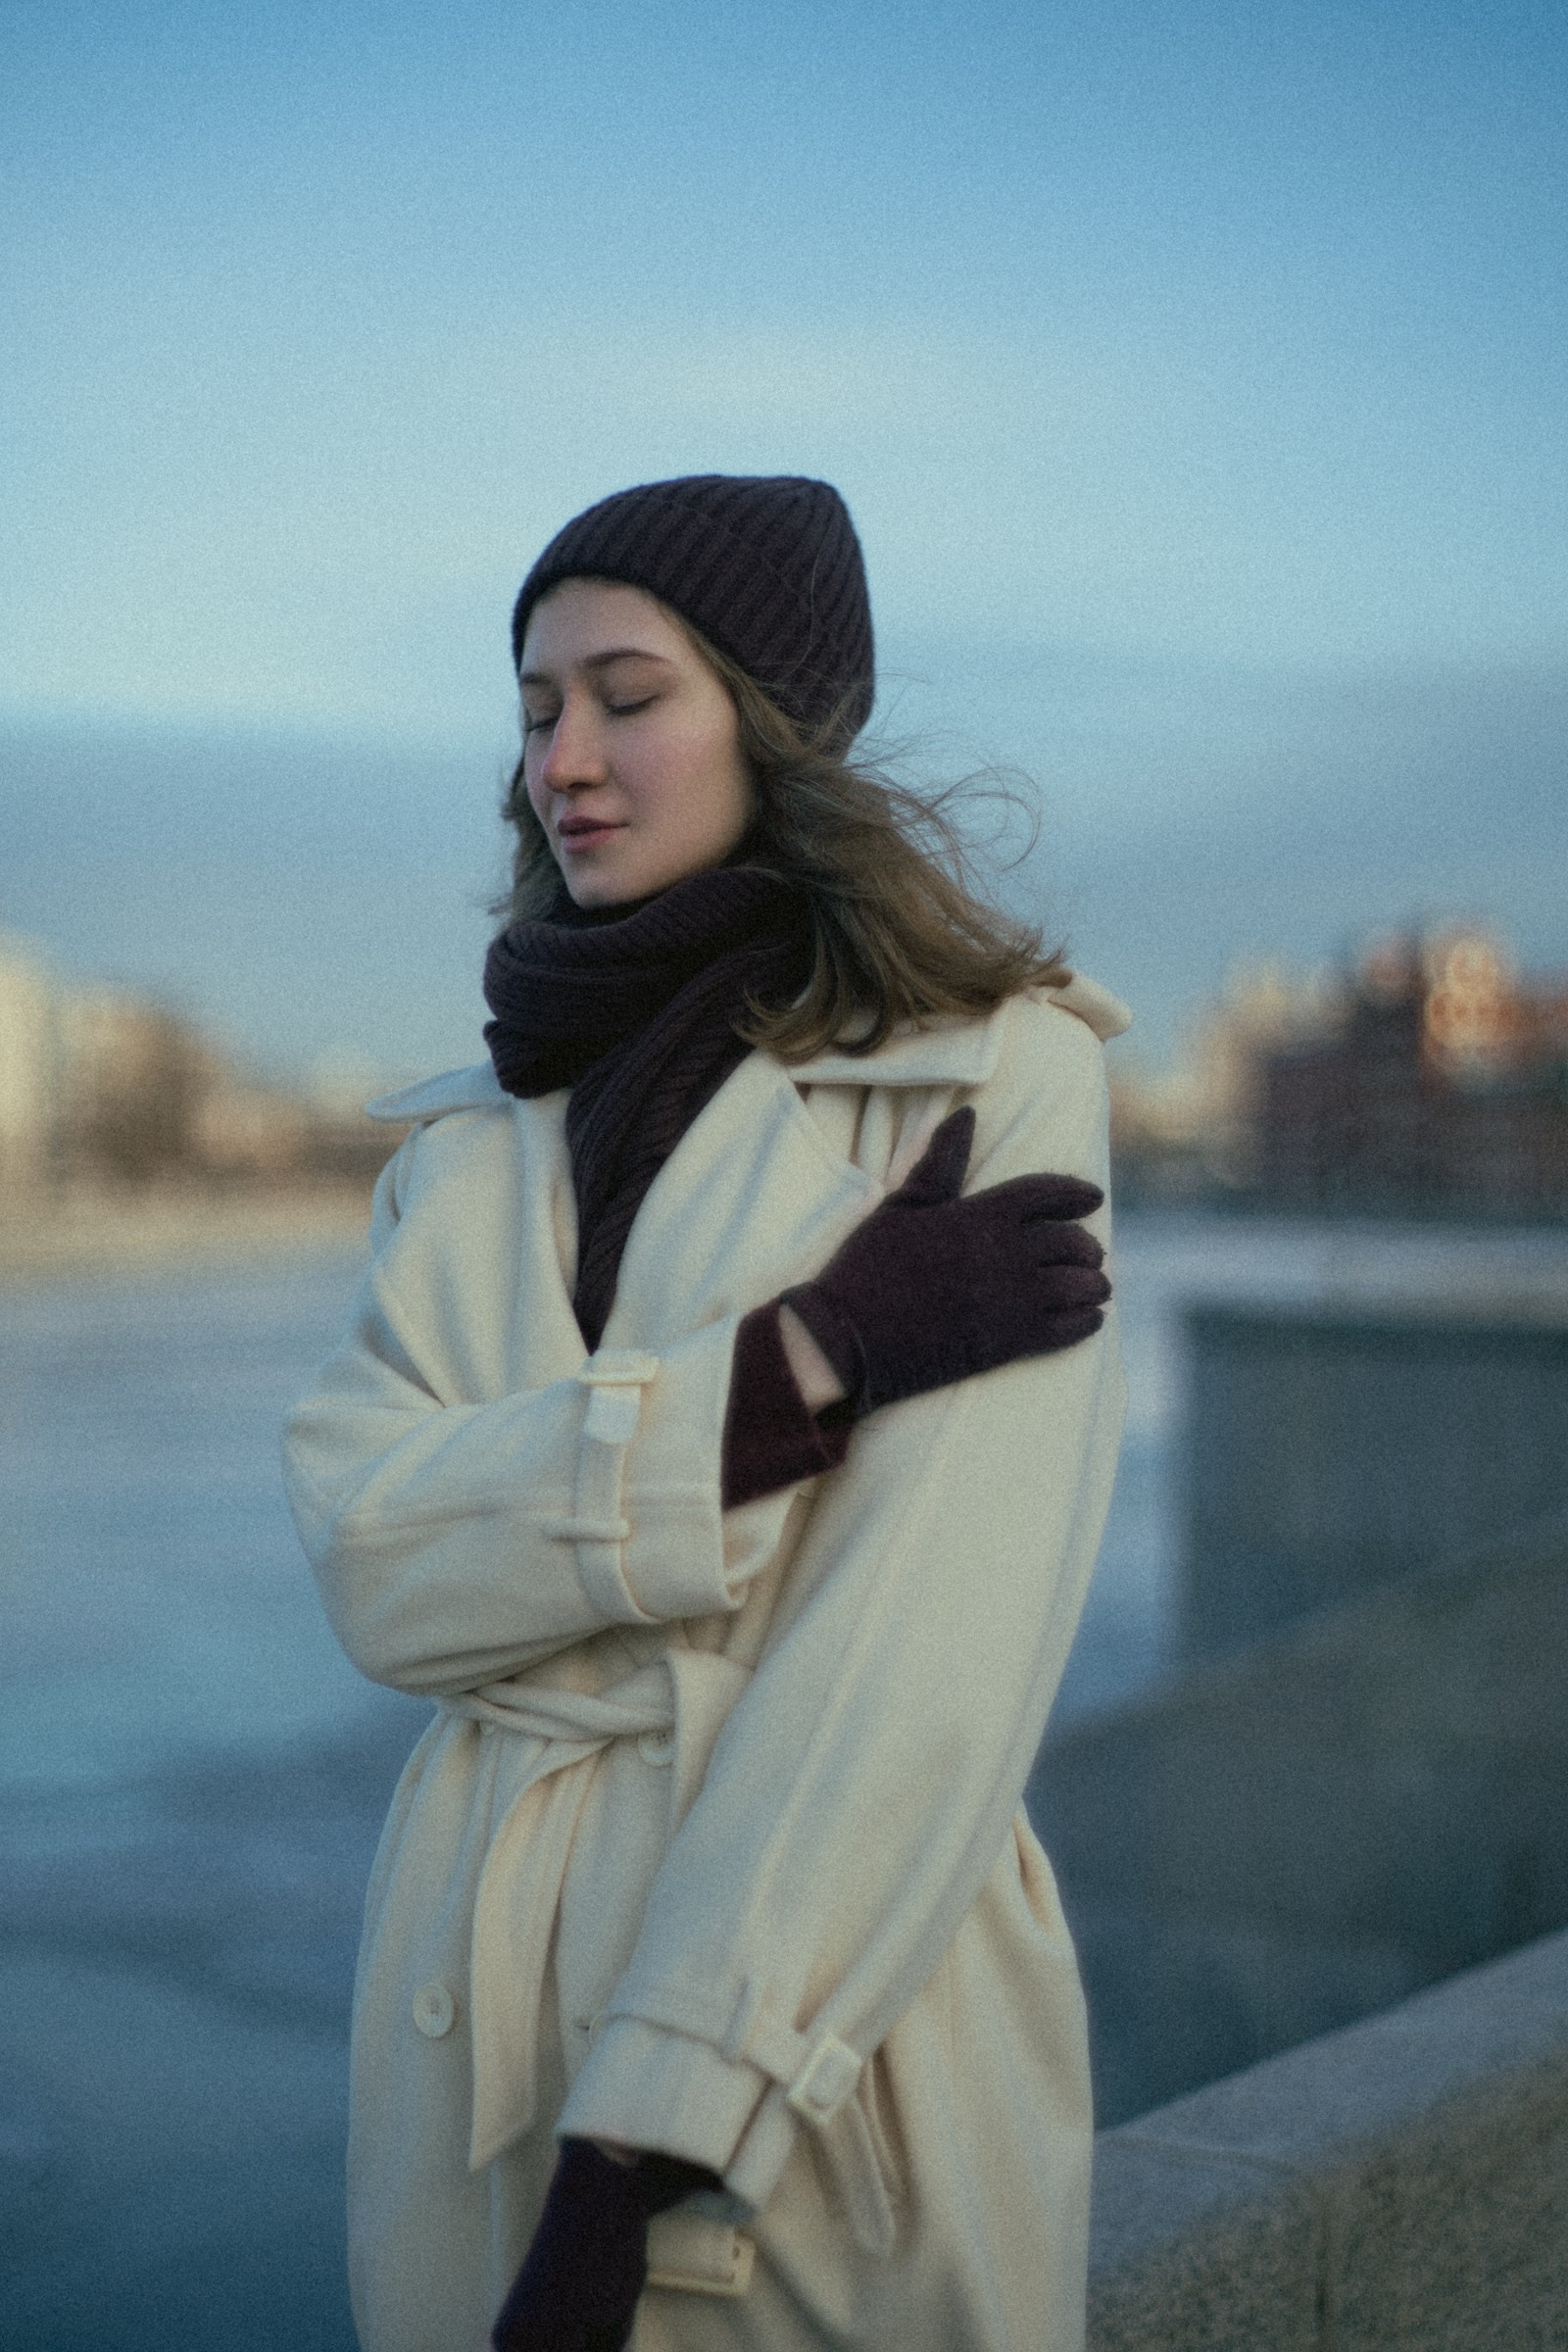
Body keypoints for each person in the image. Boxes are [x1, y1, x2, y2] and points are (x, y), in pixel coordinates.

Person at [283, 472, 1129, 2352]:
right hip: (465, 2036)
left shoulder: (992, 1077)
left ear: (775, 721)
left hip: (827, 2072)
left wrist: (641, 2144)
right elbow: (371, 1560)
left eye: (625, 695)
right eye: (534, 710)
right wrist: (795, 1370)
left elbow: (921, 1665)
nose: (562, 763)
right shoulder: (466, 1139)